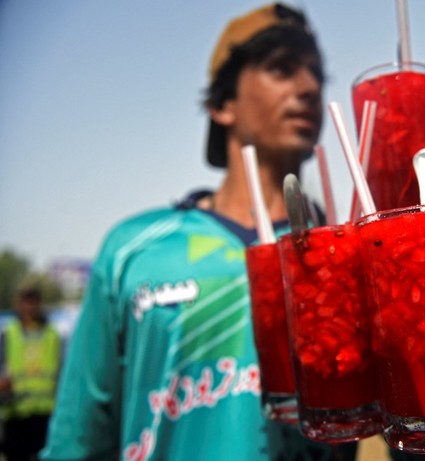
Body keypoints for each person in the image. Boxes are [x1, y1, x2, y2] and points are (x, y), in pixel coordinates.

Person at [40, 3, 356, 460]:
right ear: (222, 104)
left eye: (317, 74)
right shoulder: (136, 251)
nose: (309, 87)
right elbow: (77, 441)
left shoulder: (346, 252)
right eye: (282, 68)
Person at [0, 286, 62, 461]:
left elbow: (62, 370)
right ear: (19, 304)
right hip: (16, 413)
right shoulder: (9, 333)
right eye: (26, 303)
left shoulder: (52, 334)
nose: (30, 308)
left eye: (33, 303)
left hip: (46, 413)